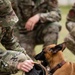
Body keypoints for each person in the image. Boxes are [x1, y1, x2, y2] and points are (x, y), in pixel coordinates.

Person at [0, 0, 34, 75]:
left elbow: (10, 41)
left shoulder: (4, 23)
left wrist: (30, 61)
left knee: (20, 58)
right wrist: (15, 64)